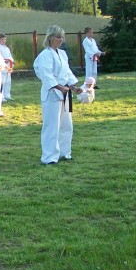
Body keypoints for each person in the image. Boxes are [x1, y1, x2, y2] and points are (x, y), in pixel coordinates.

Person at [34, 25, 81, 165]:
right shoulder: (45, 55)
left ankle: (64, 153)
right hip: (52, 94)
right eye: (58, 37)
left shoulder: (63, 54)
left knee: (67, 125)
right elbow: (46, 75)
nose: (61, 40)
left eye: (62, 37)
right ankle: (49, 157)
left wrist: (74, 87)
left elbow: (67, 73)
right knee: (51, 126)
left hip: (65, 93)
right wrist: (59, 87)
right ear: (50, 38)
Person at [0, 34, 15, 101]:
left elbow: (10, 56)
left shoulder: (7, 48)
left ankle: (7, 95)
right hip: (2, 67)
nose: (4, 41)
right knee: (2, 82)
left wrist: (12, 61)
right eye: (2, 39)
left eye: (5, 39)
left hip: (8, 66)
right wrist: (4, 61)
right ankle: (1, 97)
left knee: (8, 82)